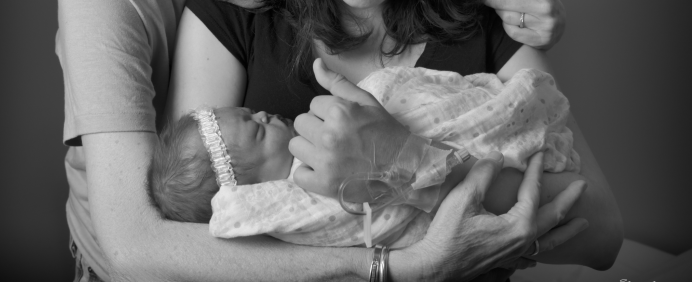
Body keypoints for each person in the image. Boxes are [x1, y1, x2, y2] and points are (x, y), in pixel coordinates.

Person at [55, 0, 579, 281]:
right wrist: (401, 264)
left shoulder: (481, 12)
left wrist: (414, 163)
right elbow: (142, 247)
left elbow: (596, 228)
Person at [150, 63, 580, 250]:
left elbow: (603, 235)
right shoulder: (293, 205)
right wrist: (409, 167)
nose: (262, 111)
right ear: (249, 191)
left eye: (249, 111)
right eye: (256, 127)